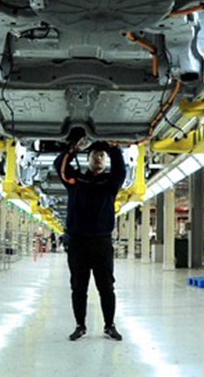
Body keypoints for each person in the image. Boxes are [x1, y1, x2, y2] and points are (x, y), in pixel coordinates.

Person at [53, 136, 127, 342]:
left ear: (106, 160)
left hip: (102, 242)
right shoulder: (76, 181)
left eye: (102, 155)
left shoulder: (110, 183)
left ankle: (109, 326)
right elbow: (59, 166)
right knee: (78, 287)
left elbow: (121, 171)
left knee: (106, 287)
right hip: (77, 243)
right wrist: (73, 149)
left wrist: (114, 149)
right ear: (88, 158)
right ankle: (80, 326)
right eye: (95, 154)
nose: (99, 158)